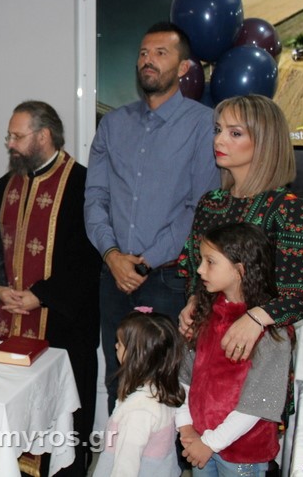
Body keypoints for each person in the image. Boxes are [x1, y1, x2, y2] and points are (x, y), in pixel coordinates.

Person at [84, 21, 220, 411]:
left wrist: (145, 261)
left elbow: (199, 207)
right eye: (144, 53)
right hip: (113, 276)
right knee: (118, 379)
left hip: (168, 280)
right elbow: (95, 196)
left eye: (161, 53)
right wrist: (112, 255)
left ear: (183, 67)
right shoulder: (113, 124)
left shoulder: (202, 125)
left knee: (166, 387)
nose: (149, 60)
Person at [0, 100, 101, 476]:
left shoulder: (82, 184)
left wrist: (41, 295)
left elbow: (89, 258)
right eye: (8, 137)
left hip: (61, 327)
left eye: (17, 136)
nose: (10, 144)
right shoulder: (5, 186)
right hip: (9, 321)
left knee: (62, 426)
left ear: (44, 136)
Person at [178, 95, 303, 360]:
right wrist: (193, 303)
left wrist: (256, 318)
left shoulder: (289, 209)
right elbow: (196, 272)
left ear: (265, 142)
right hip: (208, 343)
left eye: (235, 133)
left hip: (263, 351)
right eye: (218, 130)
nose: (219, 140)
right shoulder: (210, 203)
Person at [177, 223, 291, 474]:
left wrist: (210, 443)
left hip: (241, 453)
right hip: (199, 440)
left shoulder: (271, 333)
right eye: (201, 260)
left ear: (240, 269)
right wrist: (185, 426)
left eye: (210, 262)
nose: (200, 269)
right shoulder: (204, 313)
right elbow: (186, 377)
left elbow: (258, 403)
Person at [93, 310, 185, 477]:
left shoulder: (138, 412)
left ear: (137, 356)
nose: (116, 346)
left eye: (120, 344)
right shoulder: (164, 390)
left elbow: (125, 468)